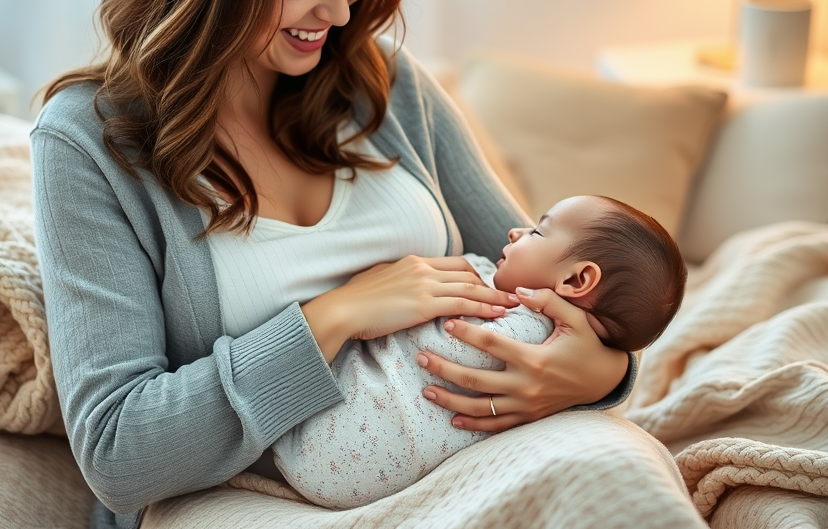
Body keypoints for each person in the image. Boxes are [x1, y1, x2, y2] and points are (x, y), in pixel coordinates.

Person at [30, 0, 636, 529]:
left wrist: (605, 371)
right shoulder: (87, 143)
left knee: (624, 485)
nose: (342, 11)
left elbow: (545, 272)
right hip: (247, 495)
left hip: (454, 454)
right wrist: (335, 315)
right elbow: (119, 450)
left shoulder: (379, 80)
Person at [273, 194, 687, 508]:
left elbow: (438, 333)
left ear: (577, 280)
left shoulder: (514, 321)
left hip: (322, 444)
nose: (514, 232)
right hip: (343, 476)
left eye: (538, 232)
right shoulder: (552, 341)